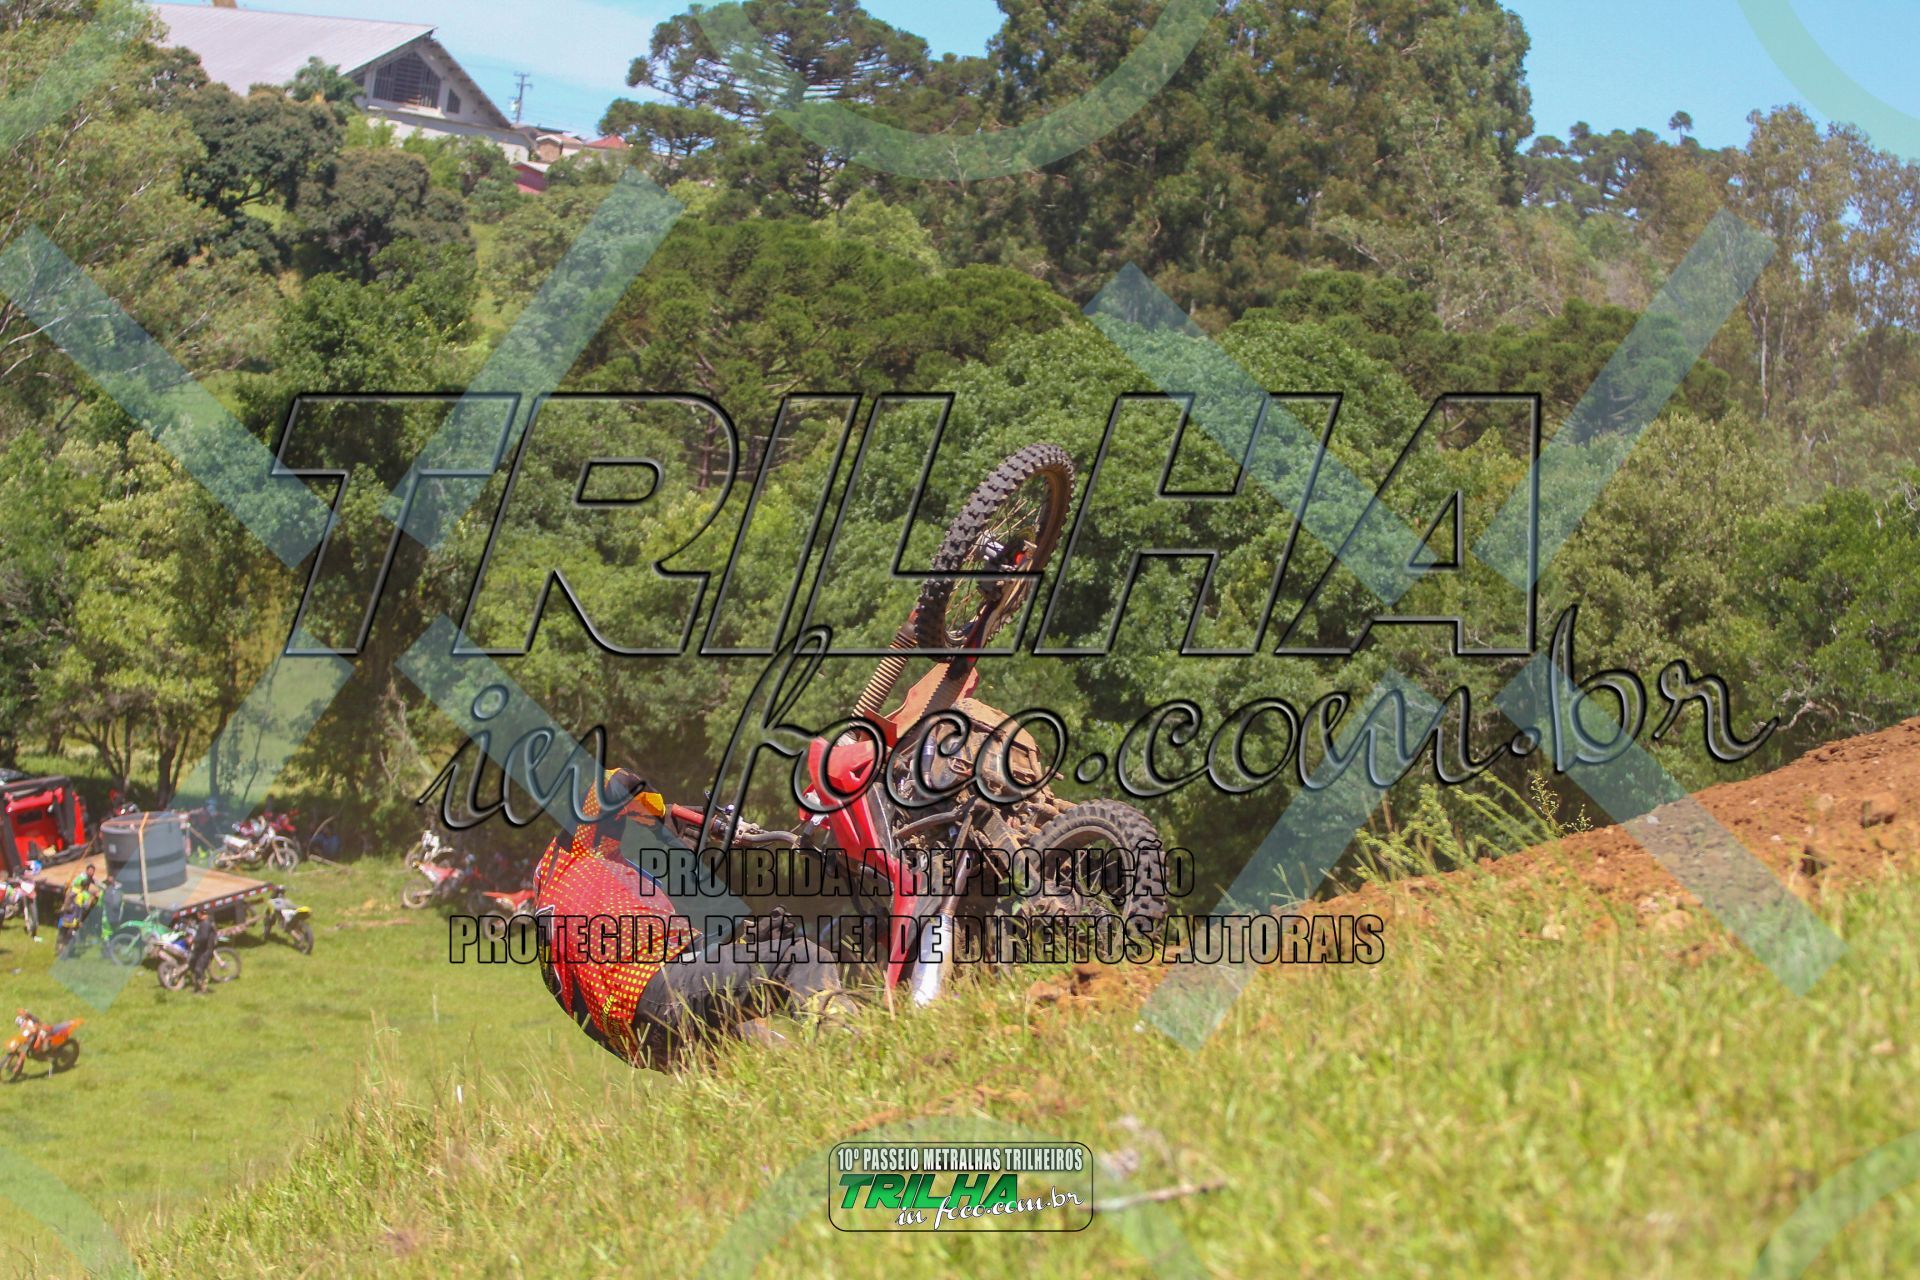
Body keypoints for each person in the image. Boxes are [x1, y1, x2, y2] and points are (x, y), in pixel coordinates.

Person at [533, 769, 854, 1069]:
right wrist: (663, 813)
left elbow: (684, 956)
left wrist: (747, 944)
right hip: (656, 991)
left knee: (770, 1064)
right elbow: (616, 782)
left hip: (641, 1041)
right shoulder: (573, 857)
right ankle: (849, 1053)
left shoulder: (577, 909)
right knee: (800, 958)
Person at [187, 909, 219, 994]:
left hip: (206, 950)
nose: (197, 915)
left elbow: (204, 937)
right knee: (193, 966)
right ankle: (197, 988)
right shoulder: (206, 922)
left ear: (200, 914)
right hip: (202, 949)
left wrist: (193, 940)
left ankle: (203, 990)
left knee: (199, 969)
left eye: (198, 913)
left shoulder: (206, 923)